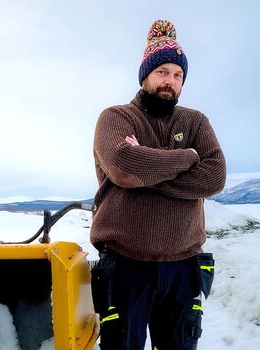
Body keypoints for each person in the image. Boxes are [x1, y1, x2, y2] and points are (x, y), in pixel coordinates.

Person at [90, 19, 226, 350]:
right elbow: (124, 165)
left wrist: (147, 174)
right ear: (146, 74)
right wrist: (189, 156)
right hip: (125, 267)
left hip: (182, 267)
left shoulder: (195, 121)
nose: (170, 81)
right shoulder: (116, 118)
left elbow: (215, 176)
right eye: (163, 71)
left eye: (178, 75)